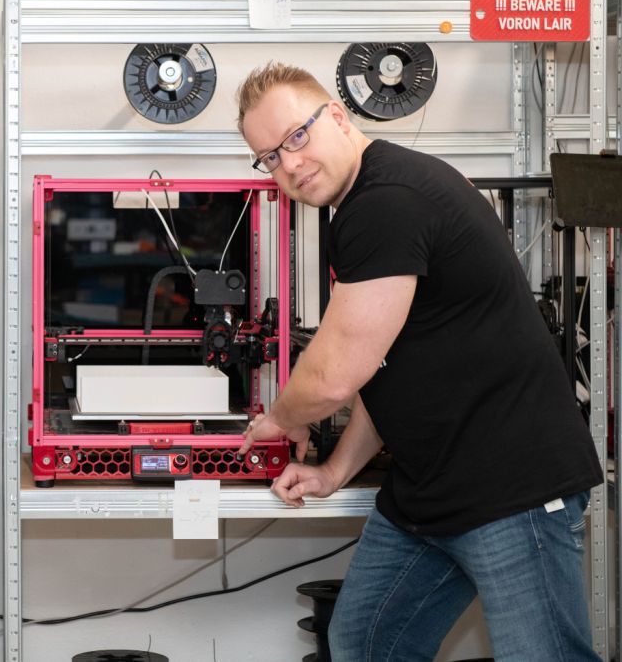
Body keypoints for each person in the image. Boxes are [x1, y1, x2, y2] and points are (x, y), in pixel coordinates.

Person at [235, 62, 603, 661]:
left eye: (296, 137)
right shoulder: (364, 205)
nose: (290, 164)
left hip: (513, 488)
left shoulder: (387, 200)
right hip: (431, 493)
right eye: (269, 157)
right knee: (368, 643)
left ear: (337, 116)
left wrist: (283, 417)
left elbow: (334, 376)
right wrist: (334, 472)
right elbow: (387, 366)